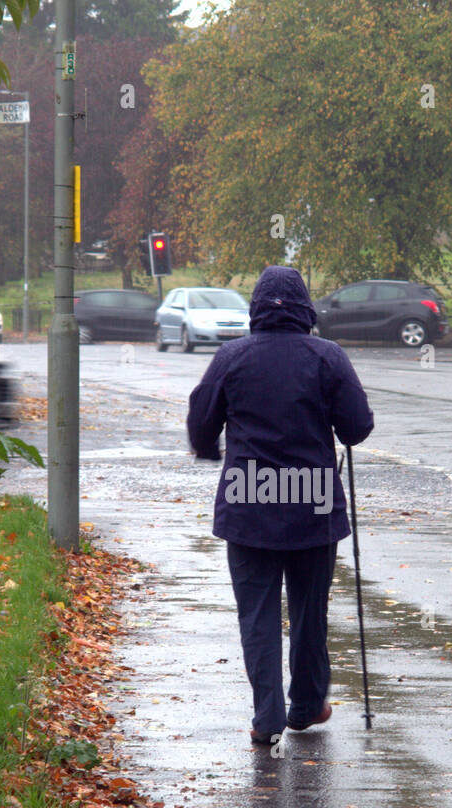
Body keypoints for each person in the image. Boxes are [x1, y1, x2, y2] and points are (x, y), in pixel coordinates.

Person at [187, 266, 374, 746]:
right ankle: (307, 706)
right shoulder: (327, 357)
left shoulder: (232, 356)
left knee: (258, 614)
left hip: (250, 501)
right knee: (310, 611)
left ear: (255, 309)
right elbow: (356, 426)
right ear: (305, 308)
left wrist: (210, 450)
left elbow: (201, 417)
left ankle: (266, 717)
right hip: (311, 502)